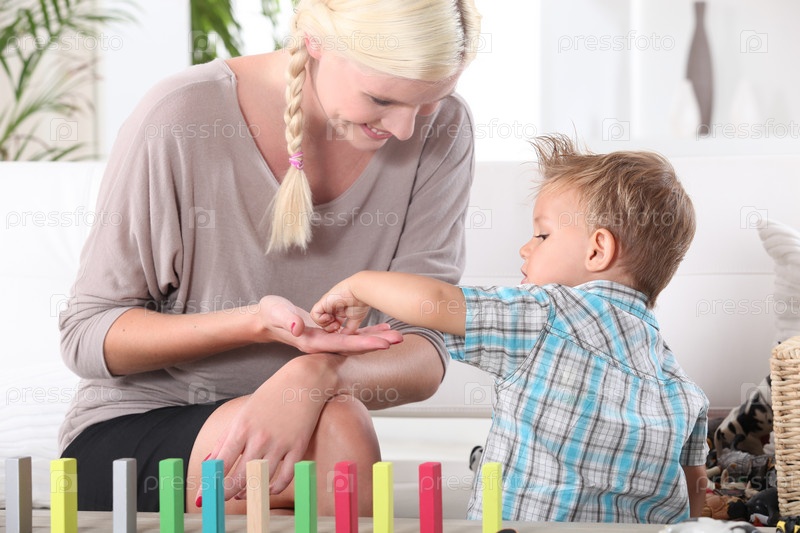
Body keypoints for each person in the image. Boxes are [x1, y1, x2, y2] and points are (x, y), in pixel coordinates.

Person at [58, 0, 482, 515]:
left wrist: (316, 377)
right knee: (338, 438)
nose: (405, 129)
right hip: (137, 430)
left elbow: (424, 351)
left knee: (336, 430)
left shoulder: (444, 132)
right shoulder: (181, 115)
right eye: (380, 98)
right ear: (316, 43)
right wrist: (255, 323)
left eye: (430, 102)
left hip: (317, 419)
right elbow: (86, 335)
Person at [311, 134, 710, 523]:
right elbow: (695, 495)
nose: (525, 248)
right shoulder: (684, 388)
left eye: (542, 235)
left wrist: (360, 285)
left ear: (597, 250)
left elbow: (436, 302)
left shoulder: (545, 314)